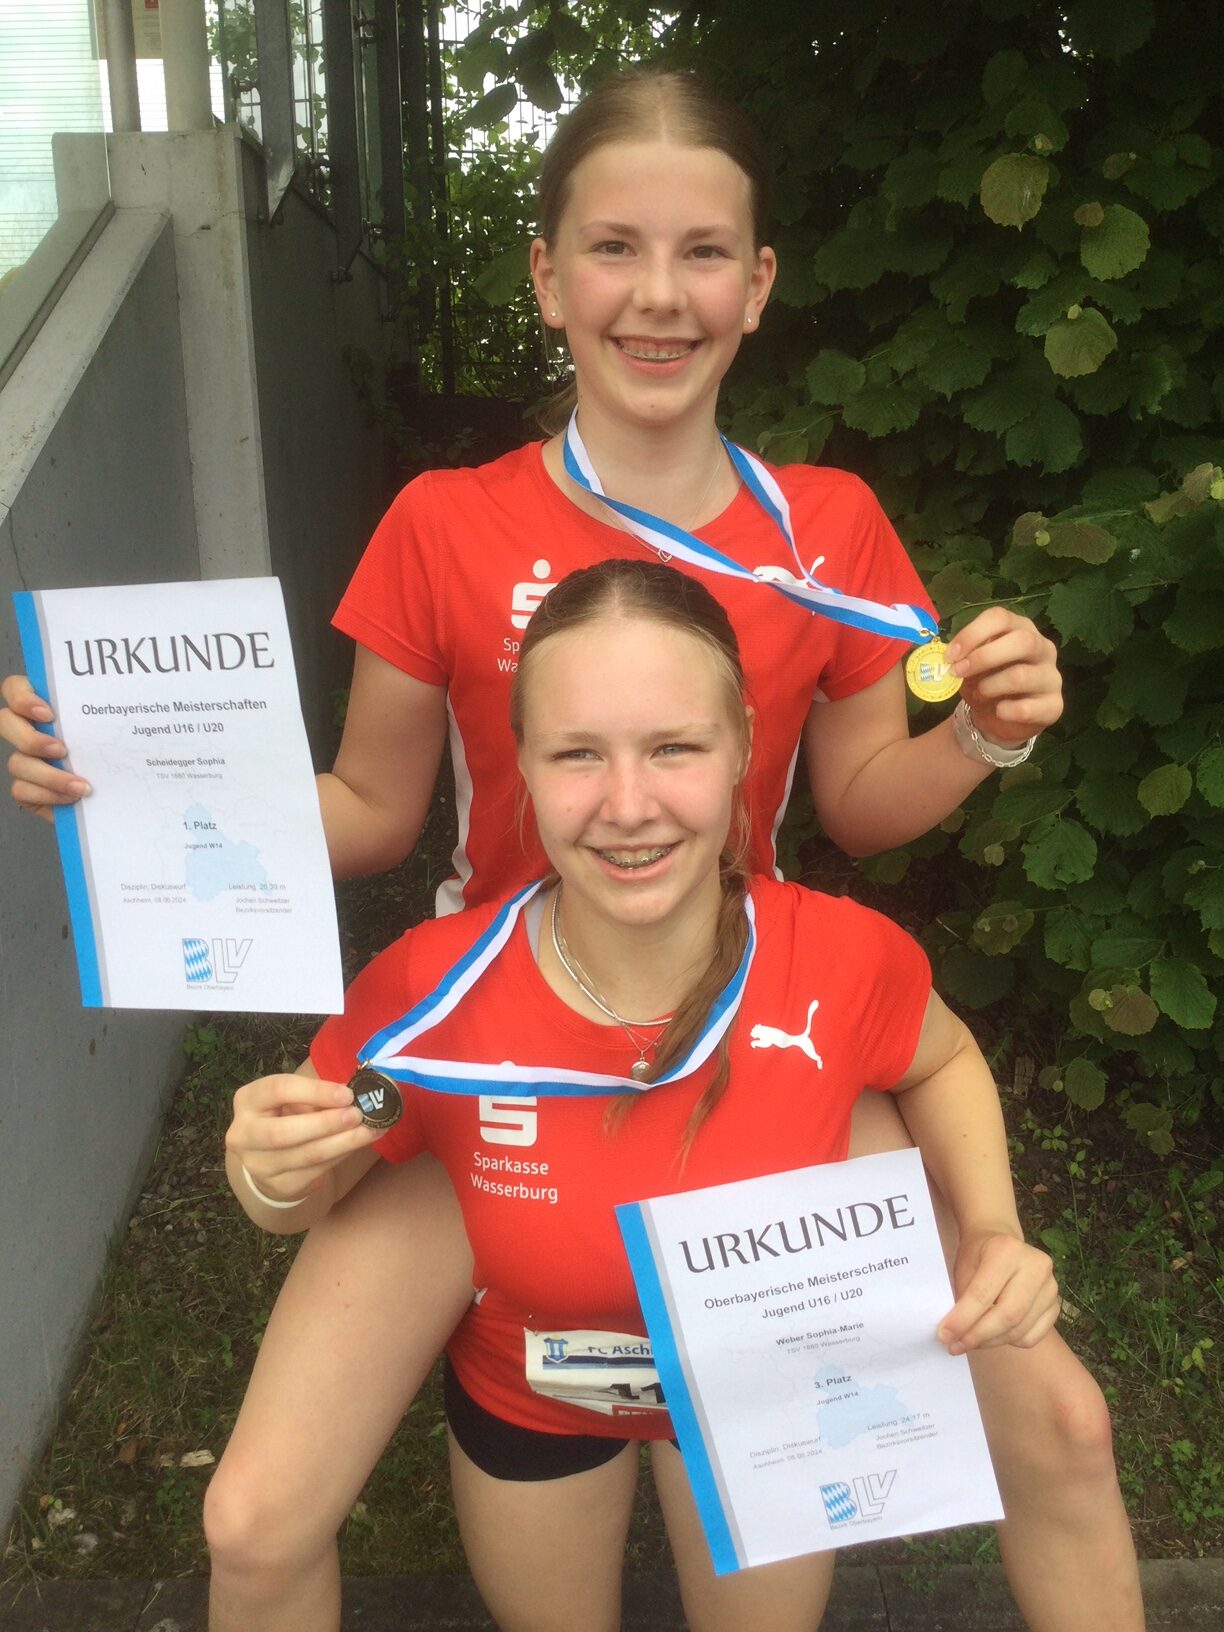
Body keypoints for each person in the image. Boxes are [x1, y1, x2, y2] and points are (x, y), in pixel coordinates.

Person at [1, 65, 1140, 1632]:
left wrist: (984, 736)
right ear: (548, 277)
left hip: (759, 1022)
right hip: (488, 1045)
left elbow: (864, 802)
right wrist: (127, 780)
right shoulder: (444, 522)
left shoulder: (828, 529)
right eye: (614, 247)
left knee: (1062, 1422)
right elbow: (371, 810)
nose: (657, 295)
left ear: (758, 285)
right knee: (255, 1520)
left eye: (702, 252)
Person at [226, 558, 1063, 1632]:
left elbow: (940, 1061)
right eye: (578, 753)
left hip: (767, 1399)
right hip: (537, 1395)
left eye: (674, 747)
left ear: (743, 748)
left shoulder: (843, 958)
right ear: (523, 763)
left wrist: (990, 1226)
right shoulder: (430, 992)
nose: (628, 807)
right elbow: (318, 1175)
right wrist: (269, 1172)